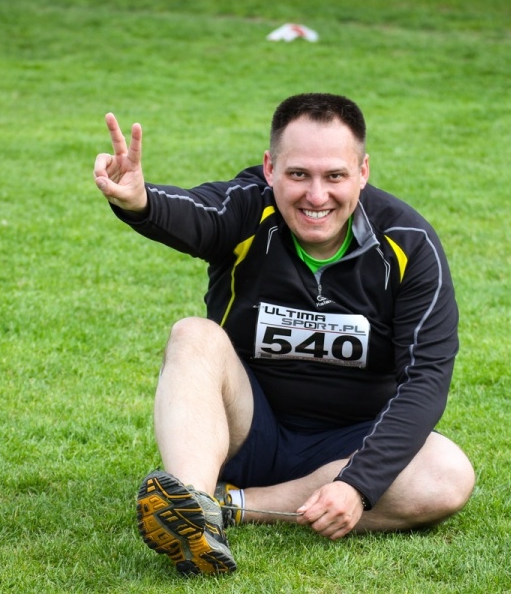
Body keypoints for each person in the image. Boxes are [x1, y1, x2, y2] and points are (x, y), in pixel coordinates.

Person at [92, 93, 475, 576]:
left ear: (362, 172)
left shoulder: (409, 243)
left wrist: (358, 484)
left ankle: (230, 506)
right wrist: (140, 200)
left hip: (348, 446)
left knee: (447, 475)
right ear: (270, 168)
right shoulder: (248, 208)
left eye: (334, 176)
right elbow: (195, 213)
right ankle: (192, 507)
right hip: (247, 431)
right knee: (193, 335)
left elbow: (426, 380)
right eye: (298, 174)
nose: (316, 196)